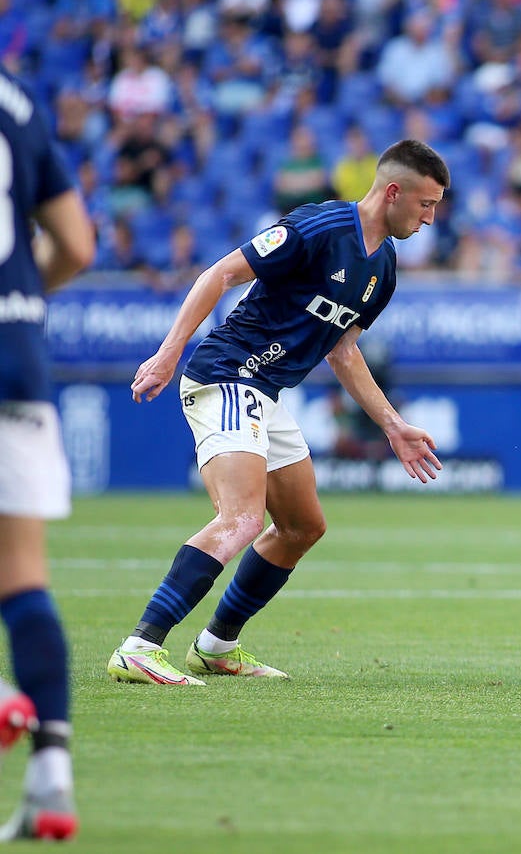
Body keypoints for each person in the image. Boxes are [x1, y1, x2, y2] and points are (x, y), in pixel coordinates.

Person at [107, 140, 448, 686]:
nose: (431, 218)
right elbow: (219, 275)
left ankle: (217, 646)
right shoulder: (316, 228)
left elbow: (343, 350)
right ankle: (140, 646)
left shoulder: (382, 269)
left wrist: (394, 426)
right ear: (393, 192)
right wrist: (170, 352)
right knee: (242, 519)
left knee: (302, 526)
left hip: (266, 392)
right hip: (227, 374)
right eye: (426, 204)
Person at [0, 68, 94, 838]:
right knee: (23, 578)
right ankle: (50, 781)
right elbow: (76, 244)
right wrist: (23, 303)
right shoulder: (22, 100)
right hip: (19, 358)